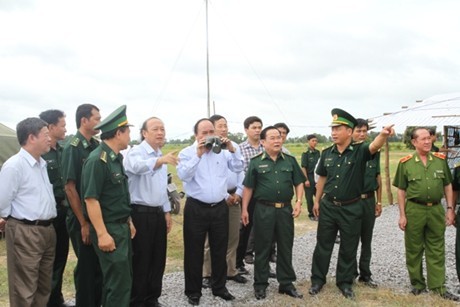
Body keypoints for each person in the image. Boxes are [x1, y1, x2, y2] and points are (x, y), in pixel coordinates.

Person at [309, 108, 393, 299]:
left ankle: (345, 283)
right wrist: (316, 201)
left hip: (351, 207)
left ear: (349, 131)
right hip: (329, 206)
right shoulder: (326, 153)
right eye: (333, 128)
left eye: (338, 128)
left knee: (349, 246)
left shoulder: (360, 151)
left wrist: (383, 134)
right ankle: (317, 280)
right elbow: (321, 178)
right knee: (323, 244)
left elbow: (374, 146)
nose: (334, 132)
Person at [177, 118, 244, 305]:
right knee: (193, 251)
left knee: (219, 249)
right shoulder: (187, 152)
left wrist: (232, 149)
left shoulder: (222, 152)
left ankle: (219, 287)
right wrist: (198, 155)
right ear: (196, 135)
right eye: (204, 133)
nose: (208, 136)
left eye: (211, 132)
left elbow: (239, 167)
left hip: (219, 207)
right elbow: (183, 175)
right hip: (196, 207)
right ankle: (193, 291)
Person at [393, 127, 458, 301]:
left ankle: (438, 286)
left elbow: (447, 186)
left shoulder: (440, 160)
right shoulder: (405, 163)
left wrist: (450, 209)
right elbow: (401, 190)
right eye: (423, 139)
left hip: (436, 209)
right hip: (414, 209)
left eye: (429, 138)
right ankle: (417, 284)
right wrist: (402, 214)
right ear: (414, 142)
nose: (428, 141)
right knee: (414, 248)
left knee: (436, 248)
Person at [241, 126, 305, 300]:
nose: (277, 141)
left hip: (285, 210)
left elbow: (299, 182)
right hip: (263, 210)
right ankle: (260, 284)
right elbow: (248, 187)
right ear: (263, 142)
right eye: (272, 138)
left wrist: (298, 202)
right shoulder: (256, 162)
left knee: (285, 246)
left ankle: (286, 284)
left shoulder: (290, 161)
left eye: (279, 137)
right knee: (262, 247)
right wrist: (245, 209)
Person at [81, 105, 136, 306]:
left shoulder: (115, 158)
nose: (130, 136)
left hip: (120, 227)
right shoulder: (98, 160)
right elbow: (91, 199)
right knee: (119, 285)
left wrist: (128, 220)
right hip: (109, 228)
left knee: (119, 281)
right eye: (128, 132)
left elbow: (118, 197)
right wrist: (102, 234)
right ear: (118, 133)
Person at [0, 117, 57, 307]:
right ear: (31, 137)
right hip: (26, 231)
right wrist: (13, 218)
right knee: (24, 289)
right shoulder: (14, 165)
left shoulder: (41, 164)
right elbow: (2, 201)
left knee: (43, 287)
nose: (50, 139)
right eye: (46, 135)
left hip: (46, 230)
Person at [124, 117, 178, 307]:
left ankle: (152, 298)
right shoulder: (136, 152)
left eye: (162, 129)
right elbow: (136, 167)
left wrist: (166, 211)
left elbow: (161, 187)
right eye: (155, 129)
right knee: (141, 259)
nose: (160, 132)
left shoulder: (159, 153)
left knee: (158, 258)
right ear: (144, 133)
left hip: (157, 213)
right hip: (140, 213)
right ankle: (137, 300)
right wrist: (159, 160)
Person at [61, 103, 102, 307]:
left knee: (98, 266)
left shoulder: (95, 146)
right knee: (86, 267)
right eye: (96, 119)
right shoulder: (72, 147)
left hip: (95, 217)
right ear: (84, 120)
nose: (99, 123)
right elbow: (70, 188)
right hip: (81, 218)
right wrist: (83, 223)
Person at [202, 115, 246, 289]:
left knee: (233, 236)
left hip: (234, 196)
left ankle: (230, 270)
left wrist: (239, 194)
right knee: (210, 240)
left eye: (225, 126)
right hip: (218, 199)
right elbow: (210, 178)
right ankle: (208, 273)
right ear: (212, 129)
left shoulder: (232, 146)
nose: (224, 129)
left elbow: (241, 171)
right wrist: (224, 196)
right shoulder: (207, 148)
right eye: (220, 126)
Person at [39, 110, 71, 307]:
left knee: (60, 257)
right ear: (50, 128)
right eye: (62, 124)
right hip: (47, 215)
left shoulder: (63, 150)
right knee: (45, 262)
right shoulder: (40, 154)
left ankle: (56, 299)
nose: (65, 128)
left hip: (64, 212)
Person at [352, 119, 382, 288]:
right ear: (351, 132)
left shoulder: (373, 151)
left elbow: (378, 177)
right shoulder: (347, 152)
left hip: (369, 200)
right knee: (350, 240)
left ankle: (365, 274)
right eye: (359, 131)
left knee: (367, 239)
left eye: (365, 131)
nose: (362, 134)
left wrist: (378, 201)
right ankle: (350, 273)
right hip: (353, 201)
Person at [236, 116, 263, 274]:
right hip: (247, 195)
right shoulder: (239, 149)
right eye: (254, 127)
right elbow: (238, 173)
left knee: (263, 230)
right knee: (244, 229)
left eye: (259, 127)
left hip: (264, 195)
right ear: (246, 129)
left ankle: (262, 265)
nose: (257, 130)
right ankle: (238, 263)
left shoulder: (264, 147)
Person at [301, 134, 321, 221]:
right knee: (309, 198)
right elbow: (303, 167)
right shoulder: (305, 154)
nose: (315, 142)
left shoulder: (318, 153)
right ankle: (311, 214)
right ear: (308, 142)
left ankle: (319, 212)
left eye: (316, 141)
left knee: (319, 196)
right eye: (313, 141)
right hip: (309, 177)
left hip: (317, 177)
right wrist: (306, 180)